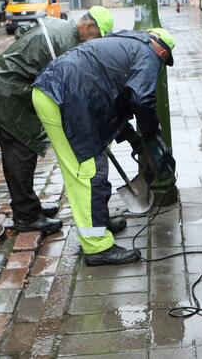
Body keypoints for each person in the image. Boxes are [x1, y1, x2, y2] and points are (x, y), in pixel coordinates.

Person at [31, 27, 176, 266]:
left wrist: (132, 137)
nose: (161, 65)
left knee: (94, 165)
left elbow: (118, 97)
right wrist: (150, 136)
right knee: (88, 173)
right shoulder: (148, 54)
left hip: (60, 93)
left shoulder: (124, 42)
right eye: (164, 59)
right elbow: (143, 100)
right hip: (65, 99)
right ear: (161, 49)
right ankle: (97, 246)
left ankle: (100, 221)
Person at [0, 7, 115, 234]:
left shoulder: (57, 25)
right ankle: (26, 217)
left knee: (17, 152)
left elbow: (22, 31)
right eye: (97, 36)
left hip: (2, 87)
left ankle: (29, 206)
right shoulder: (66, 44)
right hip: (5, 93)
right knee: (21, 154)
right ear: (89, 26)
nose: (95, 42)